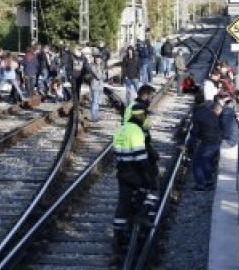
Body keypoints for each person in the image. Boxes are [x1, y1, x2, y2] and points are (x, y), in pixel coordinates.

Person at [112, 103, 159, 264]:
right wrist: (148, 177)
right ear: (141, 116)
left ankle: (118, 237)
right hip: (134, 170)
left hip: (122, 170)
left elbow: (116, 152)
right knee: (152, 191)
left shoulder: (121, 129)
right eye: (145, 115)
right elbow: (140, 158)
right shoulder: (136, 131)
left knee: (123, 202)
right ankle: (141, 217)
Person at [187, 102, 223, 191]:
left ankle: (200, 184)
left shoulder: (197, 116)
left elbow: (194, 133)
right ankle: (209, 182)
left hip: (207, 142)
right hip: (216, 141)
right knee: (206, 161)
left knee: (197, 163)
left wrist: (189, 144)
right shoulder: (210, 112)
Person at [88, 49, 105, 122]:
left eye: (99, 59)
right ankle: (93, 117)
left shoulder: (101, 67)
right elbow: (98, 76)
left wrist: (102, 75)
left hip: (100, 86)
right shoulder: (92, 66)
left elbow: (104, 77)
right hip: (94, 86)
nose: (98, 60)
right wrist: (102, 74)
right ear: (95, 59)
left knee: (97, 102)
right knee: (94, 102)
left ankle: (96, 116)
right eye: (97, 59)